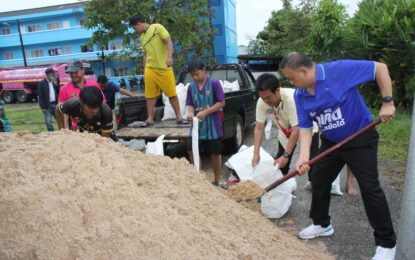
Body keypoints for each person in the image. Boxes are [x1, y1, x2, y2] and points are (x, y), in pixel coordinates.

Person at [280, 52, 396, 259]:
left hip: (360, 137)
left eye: (291, 78)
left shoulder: (338, 70)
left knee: (370, 187)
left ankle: (387, 244)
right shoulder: (300, 94)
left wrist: (387, 101)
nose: (291, 82)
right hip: (332, 141)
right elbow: (306, 126)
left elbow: (380, 68)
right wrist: (303, 156)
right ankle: (322, 223)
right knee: (318, 178)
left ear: (303, 70)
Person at [252, 73, 319, 181]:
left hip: (306, 132)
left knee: (312, 165)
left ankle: (314, 184)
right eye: (263, 98)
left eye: (268, 97)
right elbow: (259, 127)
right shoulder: (262, 102)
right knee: (280, 165)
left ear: (277, 90)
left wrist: (286, 155)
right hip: (285, 133)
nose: (266, 101)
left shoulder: (292, 99)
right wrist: (256, 153)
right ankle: (279, 190)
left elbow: (297, 129)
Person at [129, 14, 186, 127]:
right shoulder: (142, 38)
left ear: (138, 24)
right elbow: (145, 54)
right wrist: (144, 71)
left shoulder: (157, 27)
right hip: (150, 69)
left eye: (135, 28)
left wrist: (169, 57)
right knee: (150, 96)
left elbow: (169, 42)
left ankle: (179, 117)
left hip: (164, 68)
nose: (136, 31)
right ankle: (150, 119)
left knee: (172, 94)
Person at [186, 60, 225, 185]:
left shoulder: (214, 83)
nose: (195, 77)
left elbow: (221, 102)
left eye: (197, 74)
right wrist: (191, 113)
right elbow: (190, 104)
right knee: (191, 148)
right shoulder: (191, 87)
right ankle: (200, 176)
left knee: (215, 152)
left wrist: (206, 112)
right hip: (197, 125)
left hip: (213, 125)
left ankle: (217, 179)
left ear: (203, 69)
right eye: (192, 75)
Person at [58, 59, 105, 130]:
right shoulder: (64, 89)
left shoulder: (93, 84)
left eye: (76, 72)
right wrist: (65, 130)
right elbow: (61, 112)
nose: (73, 75)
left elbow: (103, 104)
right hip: (77, 129)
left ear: (83, 70)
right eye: (71, 73)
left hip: (97, 125)